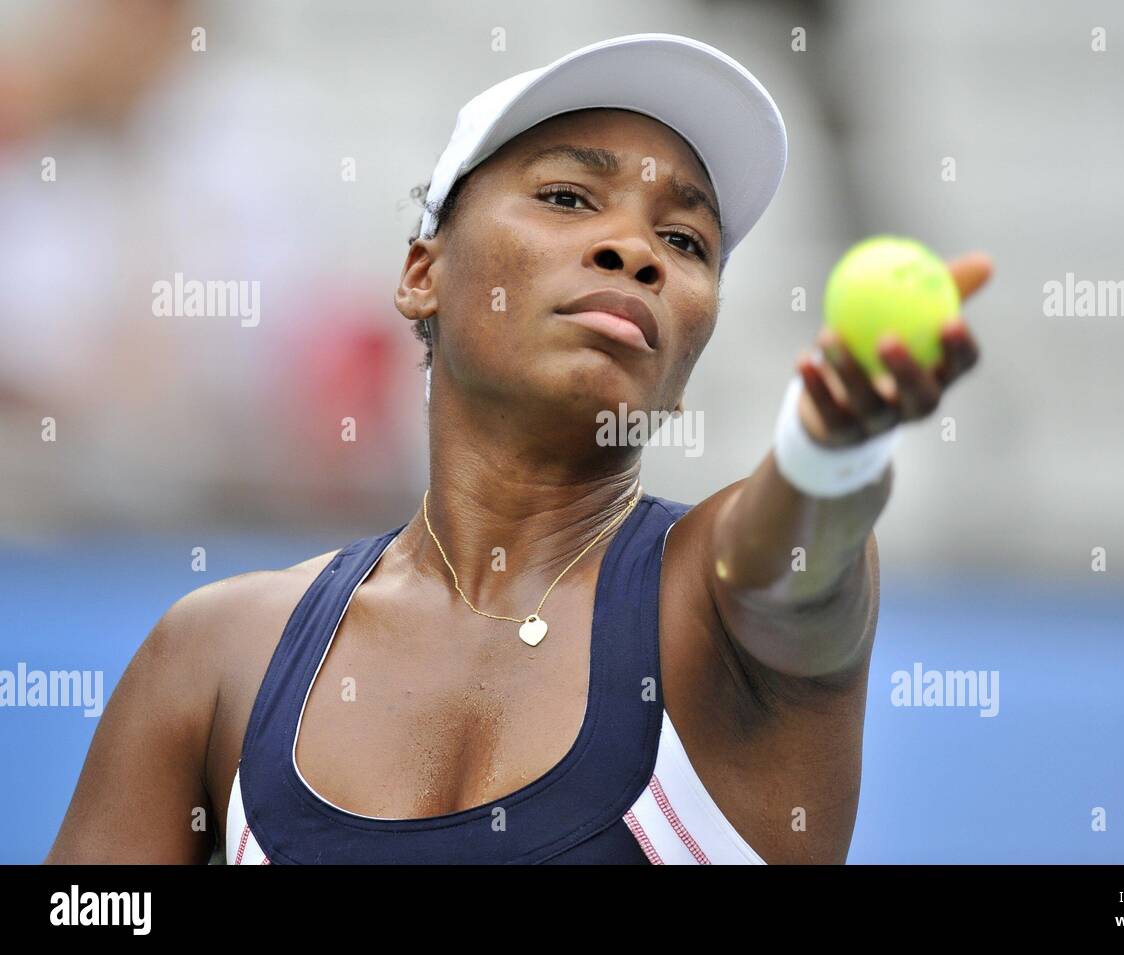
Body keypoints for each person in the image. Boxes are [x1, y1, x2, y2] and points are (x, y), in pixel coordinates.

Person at [44, 33, 990, 865]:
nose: (636, 249)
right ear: (424, 273)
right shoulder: (215, 654)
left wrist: (830, 447)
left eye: (685, 239)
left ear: (689, 355)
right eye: (571, 196)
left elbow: (800, 558)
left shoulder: (721, 606)